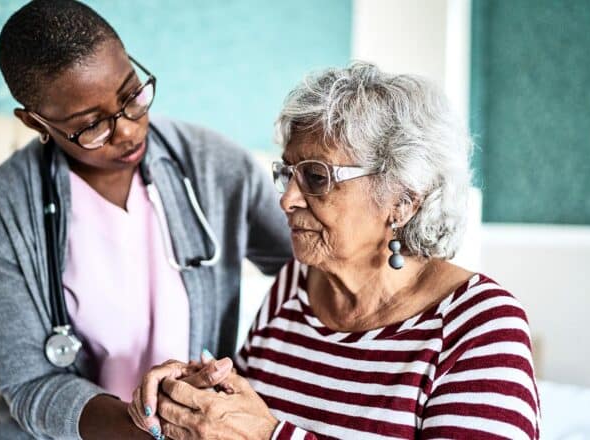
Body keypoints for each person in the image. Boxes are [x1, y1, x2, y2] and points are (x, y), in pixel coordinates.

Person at [130, 62, 540, 439]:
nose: (286, 199)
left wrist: (268, 437)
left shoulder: (479, 326)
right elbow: (244, 415)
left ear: (402, 200)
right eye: (287, 173)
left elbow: (259, 431)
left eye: (315, 176)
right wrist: (196, 397)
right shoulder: (296, 284)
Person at [0, 0, 292, 438]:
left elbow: (312, 269)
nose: (129, 130)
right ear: (35, 121)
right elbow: (30, 385)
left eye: (131, 95)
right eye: (92, 125)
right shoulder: (3, 211)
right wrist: (158, 429)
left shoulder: (217, 167)